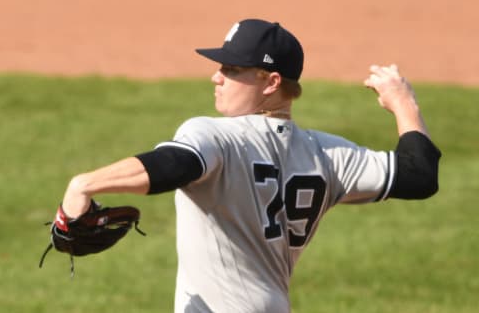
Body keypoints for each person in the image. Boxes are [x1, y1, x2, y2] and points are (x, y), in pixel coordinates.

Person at [57, 19, 441, 312]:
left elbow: (174, 164)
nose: (216, 77)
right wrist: (404, 104)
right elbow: (418, 175)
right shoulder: (329, 155)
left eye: (231, 70)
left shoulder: (216, 136)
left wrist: (84, 184)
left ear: (271, 81)